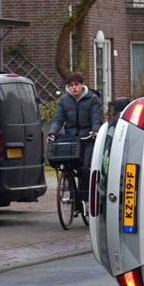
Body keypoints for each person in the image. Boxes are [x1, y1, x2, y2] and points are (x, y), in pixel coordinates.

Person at [47, 72, 103, 207]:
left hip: (88, 137)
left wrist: (95, 131)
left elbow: (96, 117)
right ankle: (74, 196)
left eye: (76, 85)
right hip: (72, 138)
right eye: (71, 85)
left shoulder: (92, 99)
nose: (74, 88)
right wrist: (52, 133)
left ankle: (86, 199)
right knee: (67, 165)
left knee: (85, 168)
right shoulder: (64, 100)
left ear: (82, 85)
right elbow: (58, 119)